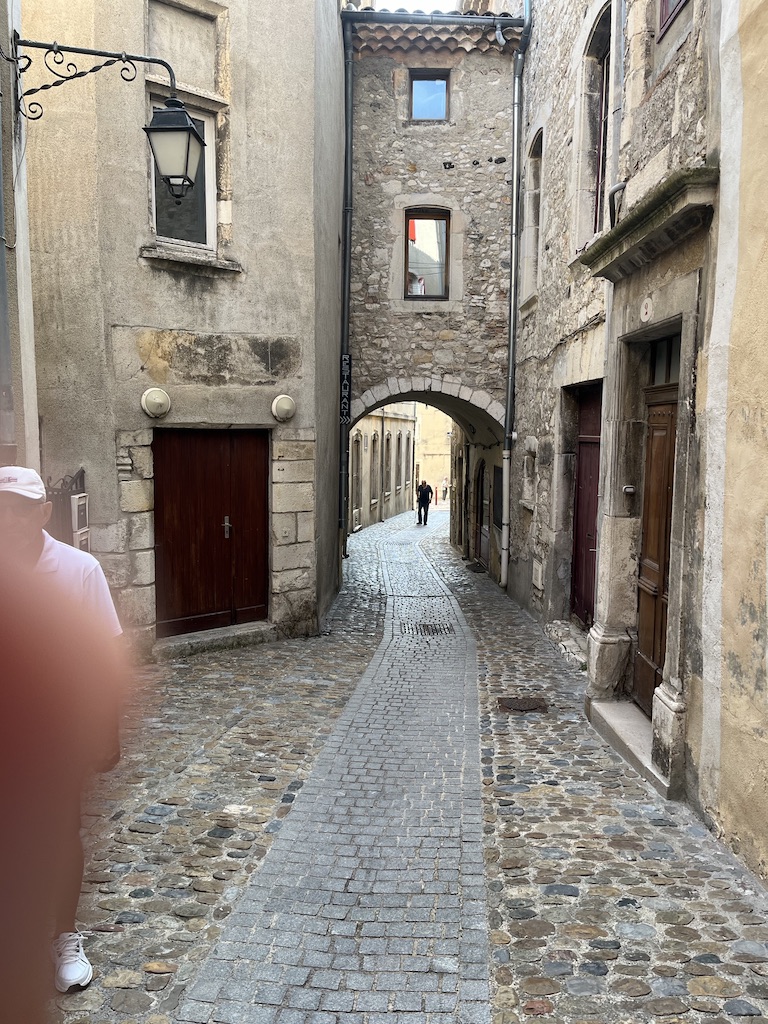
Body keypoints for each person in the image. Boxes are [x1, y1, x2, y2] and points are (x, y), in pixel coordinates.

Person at [0, 466, 125, 997]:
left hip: (54, 734)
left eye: (20, 509)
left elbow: (106, 652)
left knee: (58, 831)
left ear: (44, 513)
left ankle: (64, 936)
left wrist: (106, 727)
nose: (9, 521)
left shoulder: (78, 569)